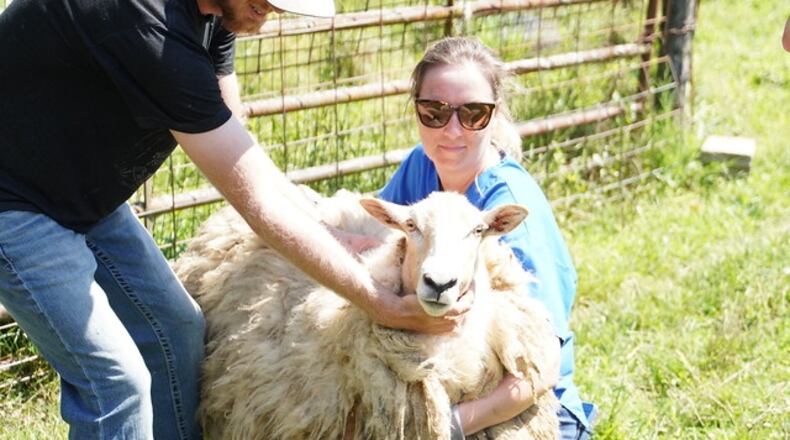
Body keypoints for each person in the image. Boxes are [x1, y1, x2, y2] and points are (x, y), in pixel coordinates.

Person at [0, 1, 463, 438]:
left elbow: (242, 153)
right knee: (115, 383)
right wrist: (376, 301)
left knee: (176, 330)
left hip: (81, 191)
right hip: (15, 204)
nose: (273, 10)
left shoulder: (217, 16)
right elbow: (255, 202)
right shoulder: (153, 32)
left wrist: (333, 235)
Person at [377, 37, 597, 438]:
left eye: (473, 114)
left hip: (523, 409)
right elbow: (376, 238)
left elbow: (542, 369)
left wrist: (449, 427)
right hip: (448, 378)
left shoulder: (511, 213)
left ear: (493, 117)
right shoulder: (422, 167)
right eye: (435, 111)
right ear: (417, 112)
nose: (452, 130)